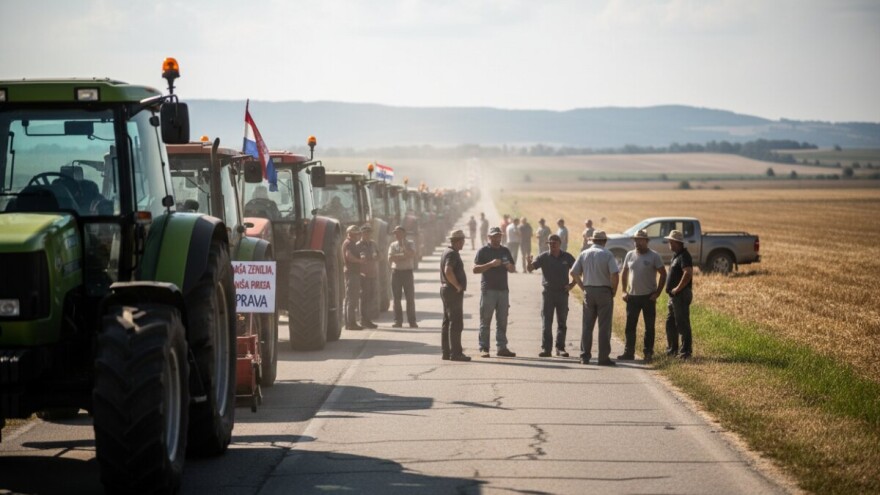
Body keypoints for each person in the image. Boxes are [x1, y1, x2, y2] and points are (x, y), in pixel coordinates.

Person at [570, 230, 619, 366]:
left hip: (589, 291)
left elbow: (573, 272)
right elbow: (614, 274)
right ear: (604, 241)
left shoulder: (584, 253)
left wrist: (583, 287)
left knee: (587, 326)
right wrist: (613, 291)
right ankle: (603, 358)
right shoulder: (607, 254)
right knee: (604, 326)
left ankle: (584, 356)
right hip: (604, 291)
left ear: (592, 241)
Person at [619, 229, 667, 362]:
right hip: (632, 297)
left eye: (640, 240)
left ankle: (648, 353)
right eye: (635, 240)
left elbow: (663, 274)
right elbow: (624, 273)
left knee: (649, 327)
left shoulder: (654, 256)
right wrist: (623, 291)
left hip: (648, 297)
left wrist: (657, 293)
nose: (637, 242)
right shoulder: (629, 255)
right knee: (630, 326)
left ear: (646, 241)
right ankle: (628, 352)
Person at [527, 234, 577, 357]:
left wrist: (572, 285)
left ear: (560, 244)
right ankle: (546, 349)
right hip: (548, 293)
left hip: (562, 293)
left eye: (555, 243)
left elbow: (578, 271)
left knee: (562, 322)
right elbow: (531, 269)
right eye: (550, 243)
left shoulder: (567, 257)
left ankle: (560, 348)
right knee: (547, 322)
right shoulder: (543, 257)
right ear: (548, 244)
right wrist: (528, 263)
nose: (552, 245)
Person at [473, 226, 517, 358]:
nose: (497, 239)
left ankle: (501, 347)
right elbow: (475, 269)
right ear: (489, 237)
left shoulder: (505, 251)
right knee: (485, 321)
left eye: (499, 236)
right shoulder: (483, 251)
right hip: (488, 290)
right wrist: (490, 264)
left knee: (502, 320)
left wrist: (509, 266)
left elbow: (512, 268)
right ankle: (484, 348)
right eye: (494, 236)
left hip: (503, 290)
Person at [440, 230, 471, 361]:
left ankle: (446, 352)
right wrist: (457, 285)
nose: (463, 243)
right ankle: (456, 353)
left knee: (447, 322)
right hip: (452, 291)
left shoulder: (447, 252)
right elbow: (448, 271)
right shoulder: (452, 254)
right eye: (462, 241)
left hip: (446, 290)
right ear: (458, 241)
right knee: (456, 322)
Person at [665, 230, 694, 359]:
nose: (669, 243)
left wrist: (677, 288)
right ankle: (673, 349)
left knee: (682, 323)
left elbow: (687, 273)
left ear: (677, 242)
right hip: (674, 296)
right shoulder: (676, 255)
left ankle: (685, 352)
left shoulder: (684, 256)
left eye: (670, 241)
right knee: (670, 322)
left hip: (680, 295)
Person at [388, 225, 418, 328]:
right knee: (396, 299)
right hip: (396, 273)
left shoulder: (410, 243)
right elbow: (391, 258)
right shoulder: (392, 245)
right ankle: (398, 321)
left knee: (410, 298)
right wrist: (402, 256)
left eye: (399, 233)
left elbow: (411, 254)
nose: (396, 235)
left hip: (407, 273)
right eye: (395, 233)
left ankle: (412, 321)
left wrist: (403, 250)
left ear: (404, 233)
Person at [357, 224, 380, 329]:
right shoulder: (358, 245)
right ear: (361, 233)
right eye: (365, 233)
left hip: (373, 274)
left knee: (371, 297)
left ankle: (368, 319)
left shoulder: (373, 244)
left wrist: (377, 256)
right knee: (364, 298)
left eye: (369, 233)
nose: (367, 235)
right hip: (363, 275)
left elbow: (381, 256)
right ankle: (363, 319)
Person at [342, 225, 364, 330]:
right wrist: (360, 261)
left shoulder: (350, 243)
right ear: (351, 234)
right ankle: (351, 323)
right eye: (356, 234)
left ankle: (349, 323)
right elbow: (348, 256)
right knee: (352, 299)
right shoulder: (349, 243)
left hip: (353, 273)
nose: (358, 236)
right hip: (351, 273)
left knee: (350, 299)